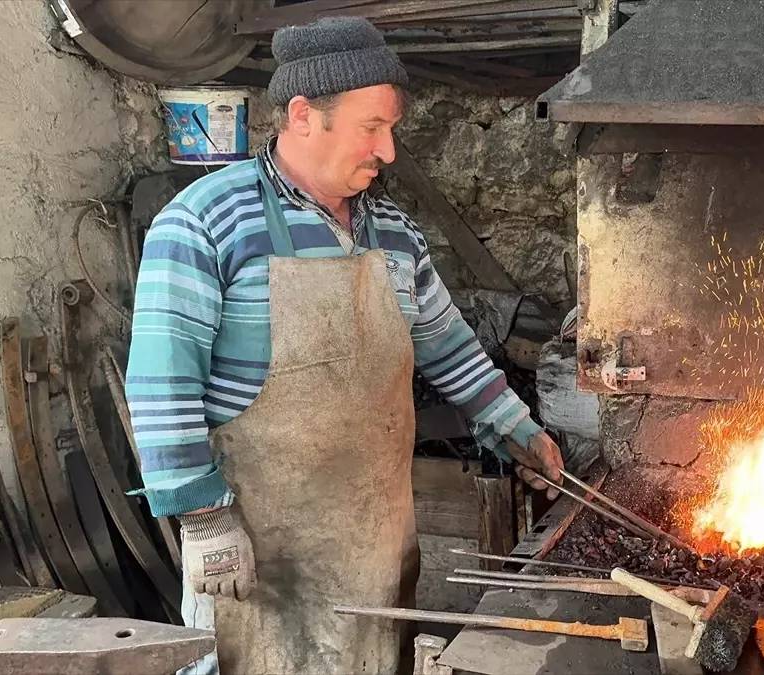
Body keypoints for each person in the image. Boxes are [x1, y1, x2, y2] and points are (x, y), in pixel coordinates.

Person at [125, 16, 564, 674]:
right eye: (372, 128)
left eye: (392, 129)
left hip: (377, 554)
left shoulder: (396, 235)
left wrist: (516, 427)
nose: (388, 150)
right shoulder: (203, 222)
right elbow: (162, 388)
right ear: (304, 115)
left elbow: (450, 347)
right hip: (261, 561)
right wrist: (204, 518)